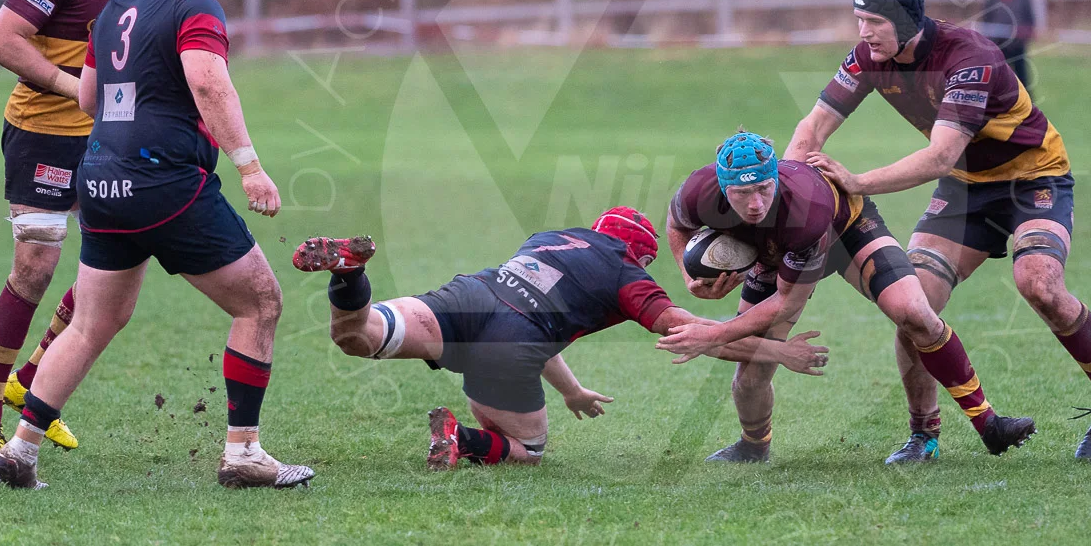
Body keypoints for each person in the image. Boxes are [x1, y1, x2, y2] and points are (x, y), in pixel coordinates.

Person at [0, 0, 311, 490]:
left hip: (102, 181)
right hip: (165, 184)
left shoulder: (115, 4)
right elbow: (209, 82)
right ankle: (243, 453)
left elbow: (88, 98)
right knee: (259, 303)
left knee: (93, 322)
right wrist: (251, 168)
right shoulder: (195, 3)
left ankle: (21, 448)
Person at [795, 0, 1091, 463]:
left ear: (907, 22)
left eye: (874, 22)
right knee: (911, 304)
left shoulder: (968, 58)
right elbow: (813, 127)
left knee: (1039, 285)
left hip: (1032, 176)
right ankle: (924, 434)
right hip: (966, 190)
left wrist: (858, 183)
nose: (863, 34)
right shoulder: (868, 57)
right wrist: (788, 192)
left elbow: (938, 156)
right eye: (858, 20)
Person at [294, 208, 829, 468]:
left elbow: (529, 306)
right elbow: (696, 333)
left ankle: (348, 275)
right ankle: (462, 438)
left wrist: (571, 390)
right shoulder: (627, 274)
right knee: (528, 449)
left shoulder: (550, 236)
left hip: (468, 297)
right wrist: (783, 351)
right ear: (639, 255)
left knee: (359, 336)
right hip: (508, 342)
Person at [657, 132, 1036, 463]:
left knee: (914, 313)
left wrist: (715, 334)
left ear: (776, 178)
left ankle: (968, 427)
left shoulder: (805, 205)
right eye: (742, 194)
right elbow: (677, 225)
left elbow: (788, 304)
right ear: (723, 190)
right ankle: (754, 446)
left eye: (763, 189)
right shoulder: (698, 190)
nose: (755, 203)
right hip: (775, 255)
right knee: (751, 374)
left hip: (848, 231)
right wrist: (690, 275)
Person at [0, 0, 152, 466]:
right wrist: (69, 85)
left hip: (106, 138)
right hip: (43, 134)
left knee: (115, 263)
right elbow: (0, 39)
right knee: (37, 267)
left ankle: (34, 379)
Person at [976, 0, 1036, 92]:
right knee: (999, 81)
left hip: (1018, 46)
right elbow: (986, 22)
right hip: (999, 47)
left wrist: (1026, 33)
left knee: (1022, 79)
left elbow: (1030, 19)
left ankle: (1027, 107)